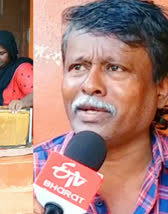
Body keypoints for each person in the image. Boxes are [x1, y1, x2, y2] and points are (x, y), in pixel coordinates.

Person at [33, 0, 168, 213]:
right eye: (78, 67)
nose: (90, 85)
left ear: (161, 89)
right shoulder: (29, 172)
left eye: (115, 68)